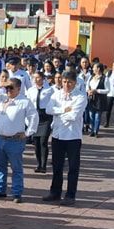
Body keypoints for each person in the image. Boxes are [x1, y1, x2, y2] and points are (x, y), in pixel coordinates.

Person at [0, 77, 39, 203]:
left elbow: (34, 117)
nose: (8, 90)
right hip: (0, 138)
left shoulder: (24, 102)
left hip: (15, 140)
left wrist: (28, 133)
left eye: (11, 88)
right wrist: (0, 85)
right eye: (7, 88)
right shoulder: (1, 98)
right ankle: (0, 190)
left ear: (19, 89)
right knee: (0, 166)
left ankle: (17, 192)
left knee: (16, 168)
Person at [45, 70, 87, 206]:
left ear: (75, 82)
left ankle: (70, 195)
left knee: (73, 167)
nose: (66, 84)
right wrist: (63, 110)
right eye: (64, 81)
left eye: (70, 82)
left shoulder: (80, 96)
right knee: (57, 166)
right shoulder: (56, 94)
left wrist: (59, 113)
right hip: (57, 135)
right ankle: (55, 192)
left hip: (72, 136)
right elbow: (48, 110)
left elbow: (74, 116)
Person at [27, 71, 55, 174]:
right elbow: (29, 104)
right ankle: (38, 164)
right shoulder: (30, 90)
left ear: (43, 78)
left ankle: (43, 165)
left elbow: (53, 103)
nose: (36, 79)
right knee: (36, 142)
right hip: (35, 116)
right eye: (34, 78)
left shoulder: (50, 90)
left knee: (43, 141)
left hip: (45, 116)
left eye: (38, 77)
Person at [85, 63, 109, 137]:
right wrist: (88, 91)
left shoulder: (105, 78)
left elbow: (108, 90)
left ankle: (96, 131)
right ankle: (92, 130)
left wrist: (97, 91)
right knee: (91, 115)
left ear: (98, 69)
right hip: (91, 98)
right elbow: (87, 86)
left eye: (94, 67)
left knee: (97, 116)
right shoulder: (91, 76)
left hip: (100, 99)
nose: (93, 69)